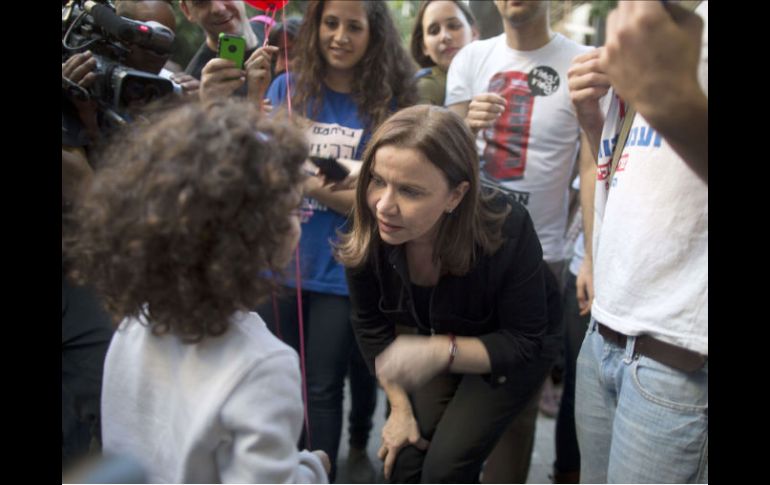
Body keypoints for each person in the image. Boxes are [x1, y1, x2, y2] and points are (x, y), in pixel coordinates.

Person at [63, 99, 331, 483]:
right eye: (292, 209)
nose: (298, 221)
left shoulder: (133, 324)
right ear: (254, 235)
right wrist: (310, 469)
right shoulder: (263, 365)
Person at [337, 104, 555, 483]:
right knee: (403, 460)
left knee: (446, 467)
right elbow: (371, 328)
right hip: (442, 339)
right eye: (377, 180)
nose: (384, 205)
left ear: (456, 195)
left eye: (410, 190)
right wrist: (399, 407)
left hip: (514, 347)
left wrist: (439, 351)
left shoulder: (509, 227)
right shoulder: (369, 228)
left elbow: (524, 341)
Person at [260, 2, 416, 481]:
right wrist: (330, 185)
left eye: (354, 26)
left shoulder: (386, 107)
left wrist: (300, 177)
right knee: (267, 385)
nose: (340, 36)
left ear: (374, 35)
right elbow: (260, 177)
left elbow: (376, 205)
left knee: (321, 388)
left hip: (337, 274)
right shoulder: (286, 89)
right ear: (315, 27)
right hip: (272, 268)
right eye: (331, 23)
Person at [445, 1, 596, 481]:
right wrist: (465, 126)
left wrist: (592, 252)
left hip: (541, 261)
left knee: (518, 407)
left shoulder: (583, 62)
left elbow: (592, 168)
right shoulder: (470, 59)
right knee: (450, 388)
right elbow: (443, 162)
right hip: (465, 249)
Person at [571, 1, 708, 482]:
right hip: (604, 337)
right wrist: (592, 122)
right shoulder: (637, 28)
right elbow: (624, 176)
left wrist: (668, 97)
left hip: (679, 361)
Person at [409, 0, 477, 106]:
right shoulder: (426, 87)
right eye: (434, 31)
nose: (445, 36)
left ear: (474, 33)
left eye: (454, 26)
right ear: (424, 46)